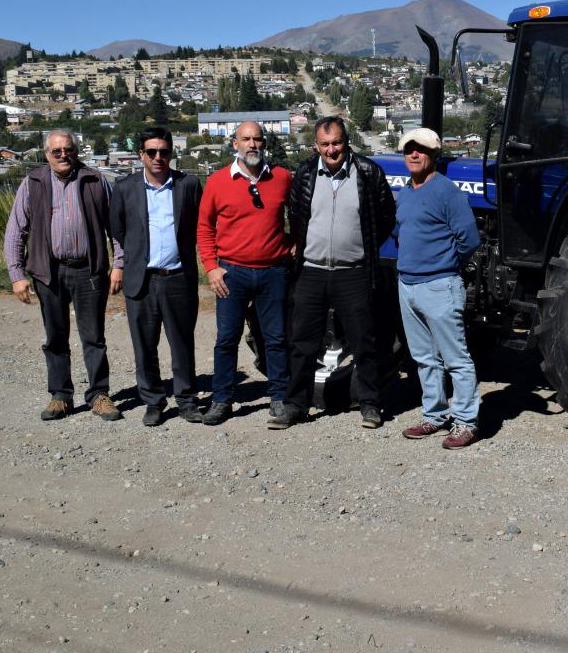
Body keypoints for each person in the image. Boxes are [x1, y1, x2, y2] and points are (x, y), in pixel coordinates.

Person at [269, 116, 396, 431]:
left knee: (364, 341)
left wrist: (359, 247)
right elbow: (296, 215)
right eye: (325, 144)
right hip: (311, 271)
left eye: (336, 143)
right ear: (316, 146)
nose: (331, 149)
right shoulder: (306, 173)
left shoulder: (367, 173)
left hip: (352, 271)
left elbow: (384, 218)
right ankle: (296, 405)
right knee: (303, 343)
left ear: (346, 142)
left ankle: (369, 404)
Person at [3, 128, 122, 422]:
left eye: (68, 149)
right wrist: (17, 274)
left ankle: (99, 395)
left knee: (93, 336)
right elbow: (15, 231)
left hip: (89, 270)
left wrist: (118, 264)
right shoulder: (33, 183)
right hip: (49, 271)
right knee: (55, 337)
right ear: (47, 154)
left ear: (76, 151)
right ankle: (60, 396)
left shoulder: (96, 180)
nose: (63, 155)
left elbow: (116, 229)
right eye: (56, 151)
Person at [196, 120, 292, 426]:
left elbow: (303, 214)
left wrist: (295, 244)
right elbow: (204, 228)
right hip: (232, 274)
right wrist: (211, 267)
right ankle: (222, 400)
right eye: (245, 139)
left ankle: (279, 397)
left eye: (257, 139)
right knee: (227, 339)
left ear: (264, 144)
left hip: (273, 272)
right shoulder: (218, 181)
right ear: (234, 144)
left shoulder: (281, 178)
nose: (252, 144)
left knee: (276, 338)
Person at [109, 127, 204, 427]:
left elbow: (202, 226)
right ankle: (153, 401)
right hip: (142, 279)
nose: (158, 157)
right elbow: (118, 230)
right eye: (152, 152)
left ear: (171, 154)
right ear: (141, 155)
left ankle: (186, 400)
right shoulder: (124, 188)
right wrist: (124, 265)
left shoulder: (188, 185)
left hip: (178, 277)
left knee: (182, 343)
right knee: (144, 345)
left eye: (164, 151)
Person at [395, 127, 482, 449]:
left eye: (421, 150)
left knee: (455, 357)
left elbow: (469, 239)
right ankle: (434, 415)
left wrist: (443, 264)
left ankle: (466, 422)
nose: (414, 155)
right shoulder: (406, 192)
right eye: (409, 150)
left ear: (433, 154)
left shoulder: (447, 192)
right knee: (423, 358)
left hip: (439, 284)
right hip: (407, 284)